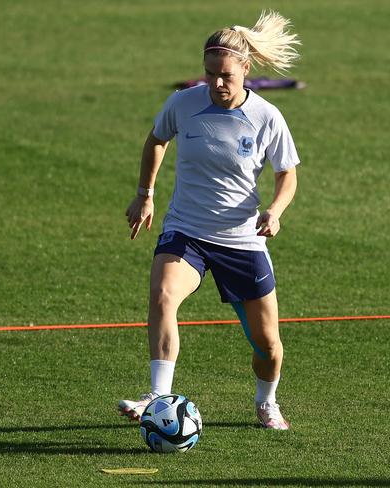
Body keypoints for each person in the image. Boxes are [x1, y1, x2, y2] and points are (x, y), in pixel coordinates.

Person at [119, 10, 301, 430]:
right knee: (163, 295)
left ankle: (266, 403)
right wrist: (145, 195)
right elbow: (157, 140)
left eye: (225, 75)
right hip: (187, 231)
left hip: (242, 240)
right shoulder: (183, 103)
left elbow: (287, 174)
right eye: (210, 74)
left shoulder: (266, 117)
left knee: (268, 345)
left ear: (246, 70)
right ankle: (159, 396)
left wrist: (275, 210)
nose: (217, 83)